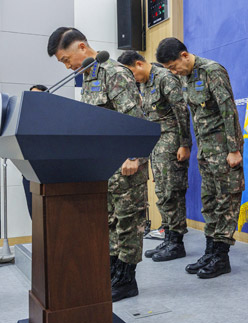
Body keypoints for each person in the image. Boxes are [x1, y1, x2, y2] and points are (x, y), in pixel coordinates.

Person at [47, 27, 148, 301]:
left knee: (128, 222)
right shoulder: (89, 76)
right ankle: (113, 272)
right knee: (111, 222)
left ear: (81, 47)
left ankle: (127, 281)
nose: (68, 66)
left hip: (127, 163)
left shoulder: (114, 73)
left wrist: (134, 157)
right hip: (106, 166)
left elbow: (135, 118)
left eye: (67, 60)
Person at [156, 38, 244, 279]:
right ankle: (210, 251)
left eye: (174, 66)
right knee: (210, 201)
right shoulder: (186, 77)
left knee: (226, 201)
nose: (174, 72)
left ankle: (221, 257)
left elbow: (228, 110)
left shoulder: (211, 71)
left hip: (225, 150)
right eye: (169, 70)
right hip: (206, 151)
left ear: (185, 55)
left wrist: (234, 149)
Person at [117, 50, 191, 262]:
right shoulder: (145, 82)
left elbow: (181, 112)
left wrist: (185, 144)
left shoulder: (164, 78)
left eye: (132, 73)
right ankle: (168, 238)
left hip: (171, 141)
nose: (132, 79)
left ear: (139, 64)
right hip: (156, 141)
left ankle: (176, 243)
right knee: (162, 190)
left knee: (171, 190)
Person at [22, 84, 48, 219]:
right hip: (28, 171)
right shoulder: (23, 118)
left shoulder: (53, 118)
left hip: (47, 172)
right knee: (34, 214)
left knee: (48, 213)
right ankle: (38, 240)